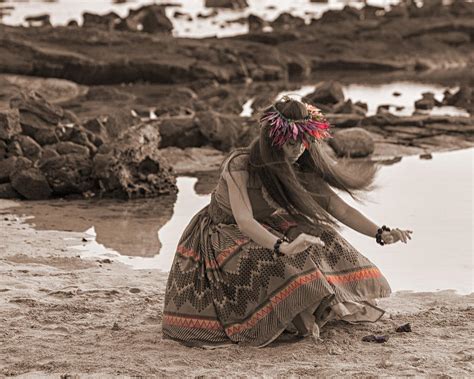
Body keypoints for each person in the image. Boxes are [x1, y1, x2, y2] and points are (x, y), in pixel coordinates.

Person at [162, 96, 413, 347]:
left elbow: (340, 209)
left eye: (304, 143)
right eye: (292, 144)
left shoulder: (301, 166)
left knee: (323, 235)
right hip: (222, 232)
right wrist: (284, 247)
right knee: (266, 258)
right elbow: (245, 221)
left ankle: (312, 303)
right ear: (274, 141)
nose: (299, 150)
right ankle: (299, 310)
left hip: (267, 225)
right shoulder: (240, 164)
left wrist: (381, 232)